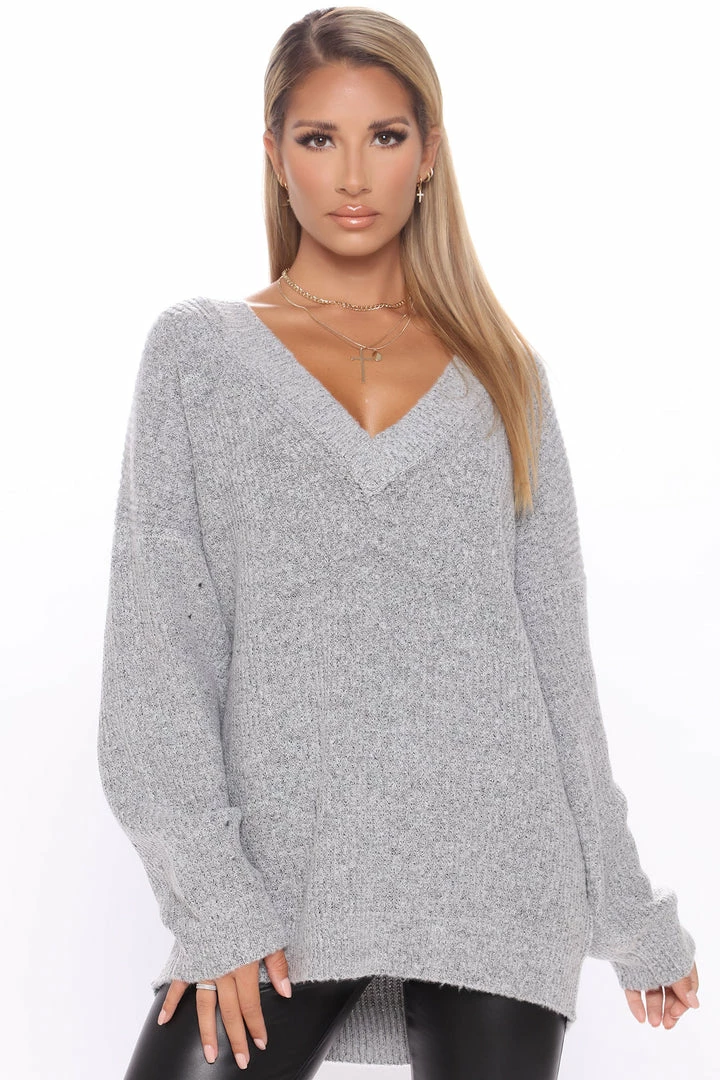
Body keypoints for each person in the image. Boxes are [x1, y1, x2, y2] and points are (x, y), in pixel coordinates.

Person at [97, 7, 700, 1078]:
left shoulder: (504, 377)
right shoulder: (198, 356)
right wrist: (215, 898)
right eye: (317, 138)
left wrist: (628, 910)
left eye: (384, 136)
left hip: (500, 881)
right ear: (274, 154)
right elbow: (157, 662)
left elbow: (557, 671)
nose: (351, 175)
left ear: (428, 153)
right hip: (278, 877)